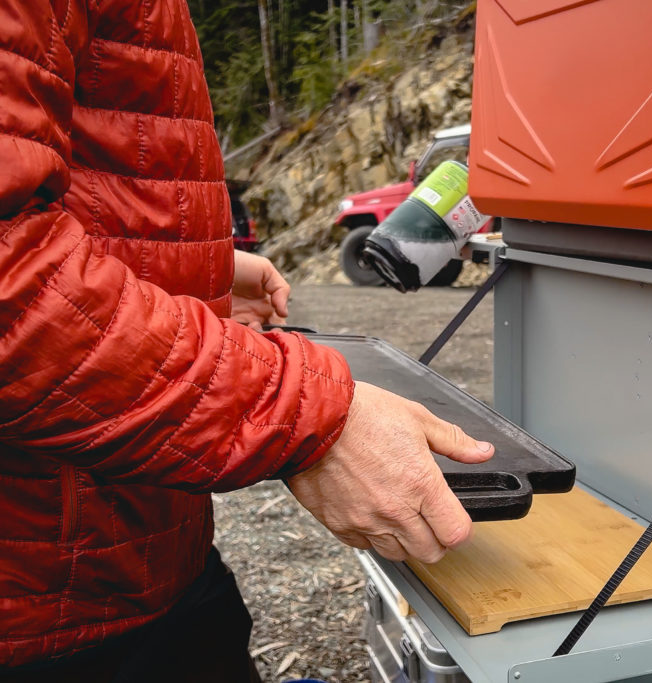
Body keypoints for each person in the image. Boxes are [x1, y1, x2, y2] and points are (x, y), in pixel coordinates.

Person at [0, 1, 493, 680]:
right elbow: (13, 288)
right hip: (49, 610)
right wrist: (311, 419)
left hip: (129, 547)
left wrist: (199, 273)